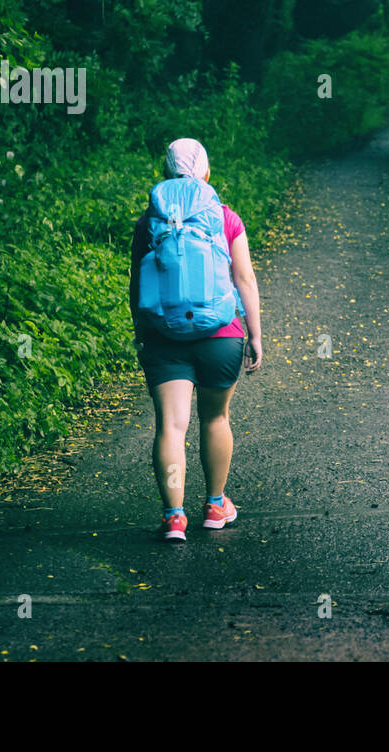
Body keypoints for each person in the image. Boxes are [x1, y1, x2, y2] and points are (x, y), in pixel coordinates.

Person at [129, 139, 262, 541]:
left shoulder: (149, 221)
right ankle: (215, 505)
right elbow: (244, 279)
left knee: (170, 426)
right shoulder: (225, 217)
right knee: (215, 417)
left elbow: (137, 286)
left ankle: (173, 517)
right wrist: (255, 334)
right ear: (206, 173)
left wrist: (141, 334)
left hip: (163, 335)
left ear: (166, 172)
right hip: (221, 335)